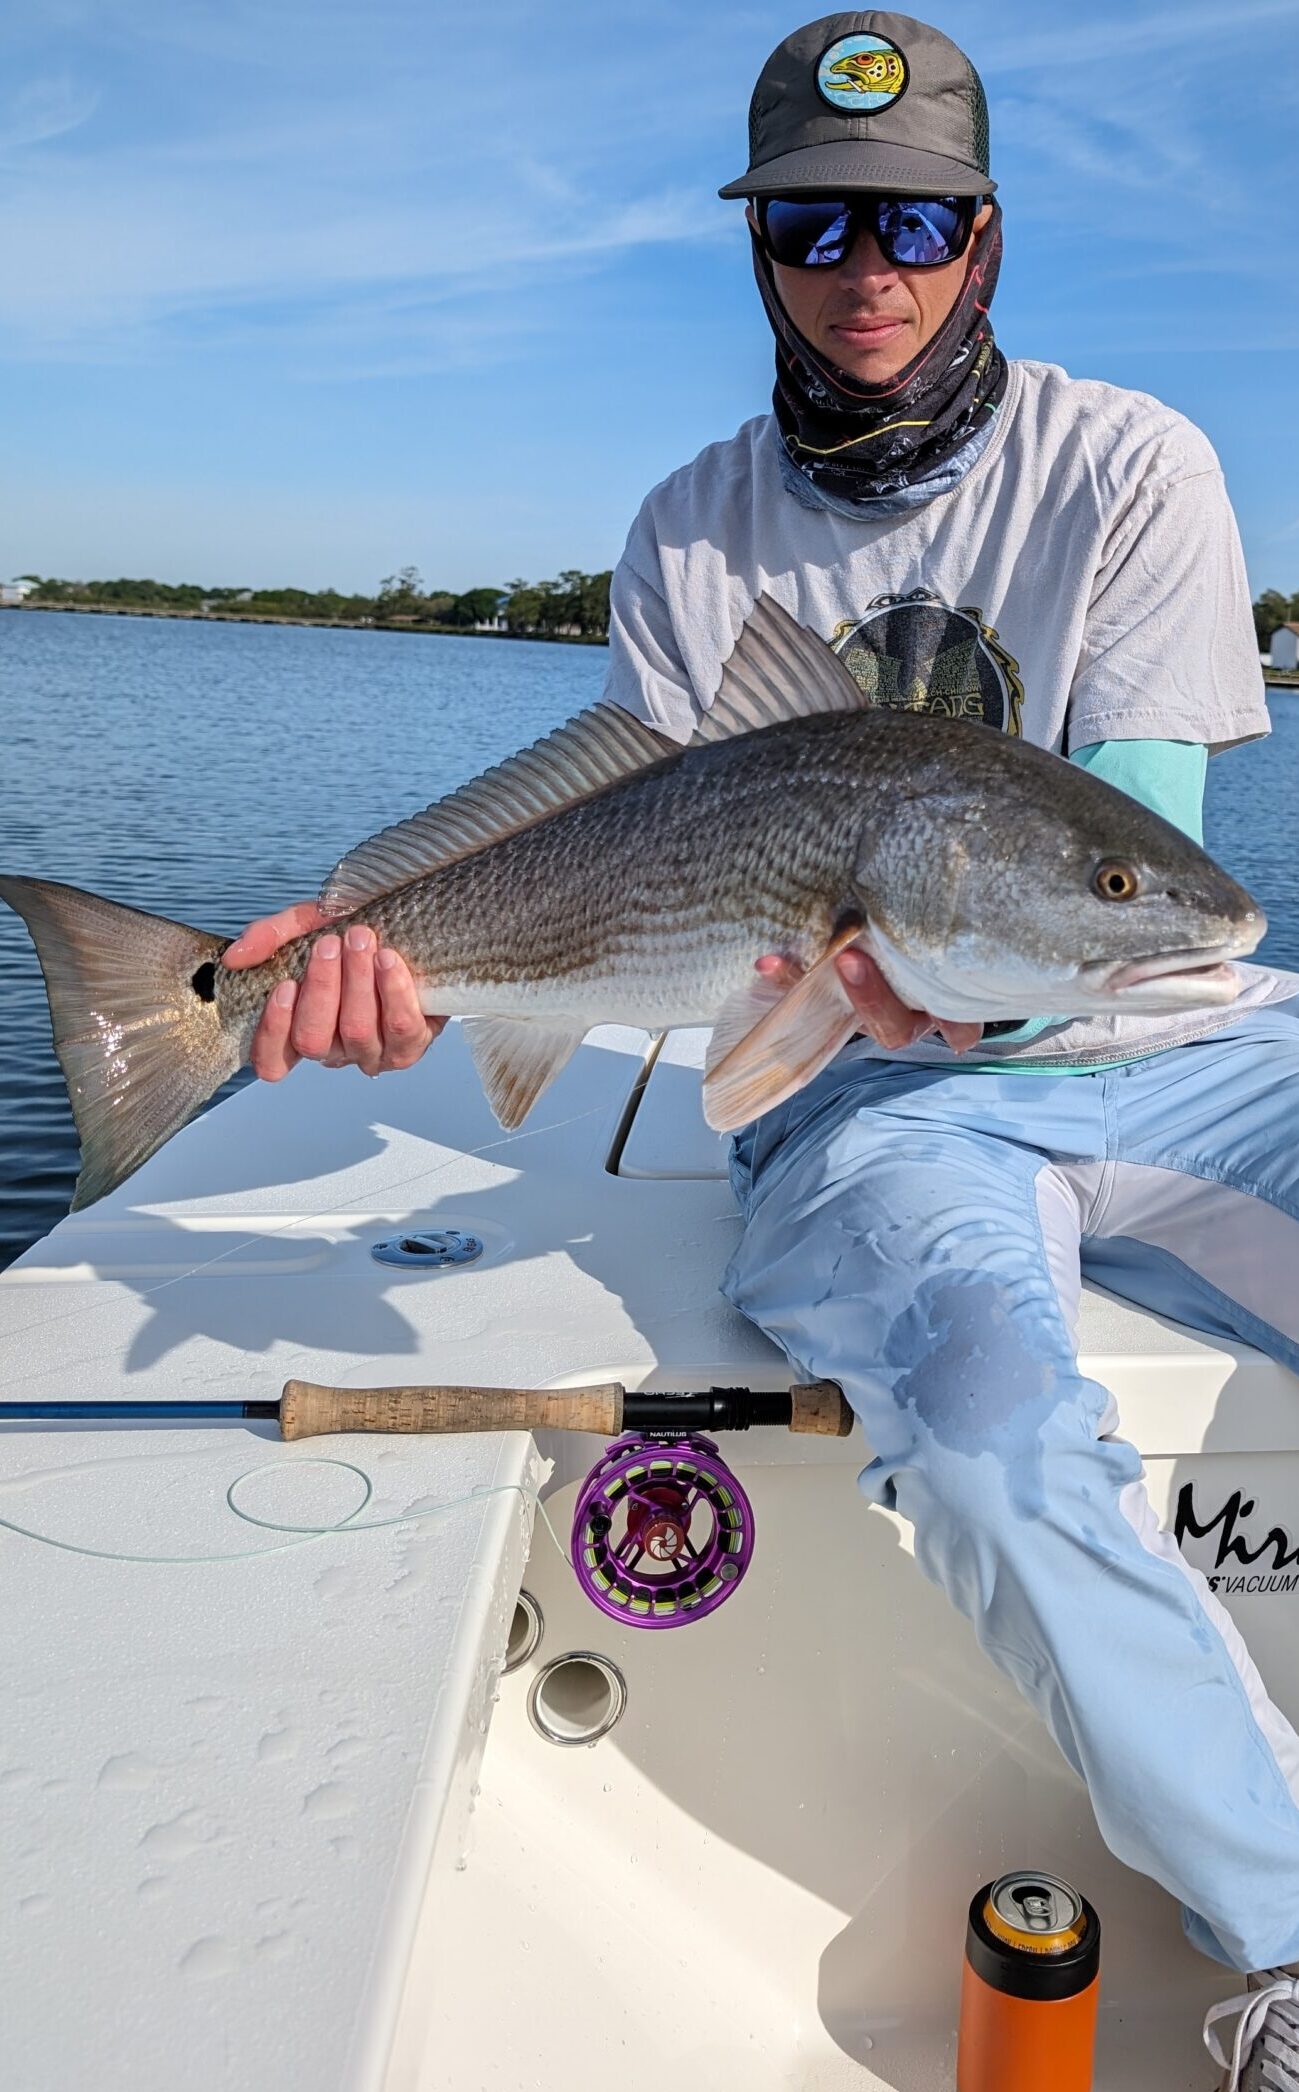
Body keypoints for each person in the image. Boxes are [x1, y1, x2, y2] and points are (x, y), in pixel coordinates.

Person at [224, 15, 1299, 2083]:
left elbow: (1136, 870)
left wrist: (984, 957)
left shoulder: (1129, 462)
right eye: (810, 221)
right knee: (988, 1428)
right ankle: (1281, 1933)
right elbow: (620, 830)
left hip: (1167, 1035)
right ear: (757, 249)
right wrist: (374, 933)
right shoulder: (694, 530)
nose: (863, 266)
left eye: (913, 219)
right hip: (856, 1096)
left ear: (981, 239)